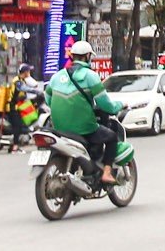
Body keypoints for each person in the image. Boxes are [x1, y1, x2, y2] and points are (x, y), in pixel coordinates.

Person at [46, 40, 125, 185]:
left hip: (58, 128)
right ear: (88, 56)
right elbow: (105, 105)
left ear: (72, 56)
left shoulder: (56, 77)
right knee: (112, 137)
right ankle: (107, 173)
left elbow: (48, 100)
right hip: (84, 128)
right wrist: (119, 105)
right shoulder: (90, 76)